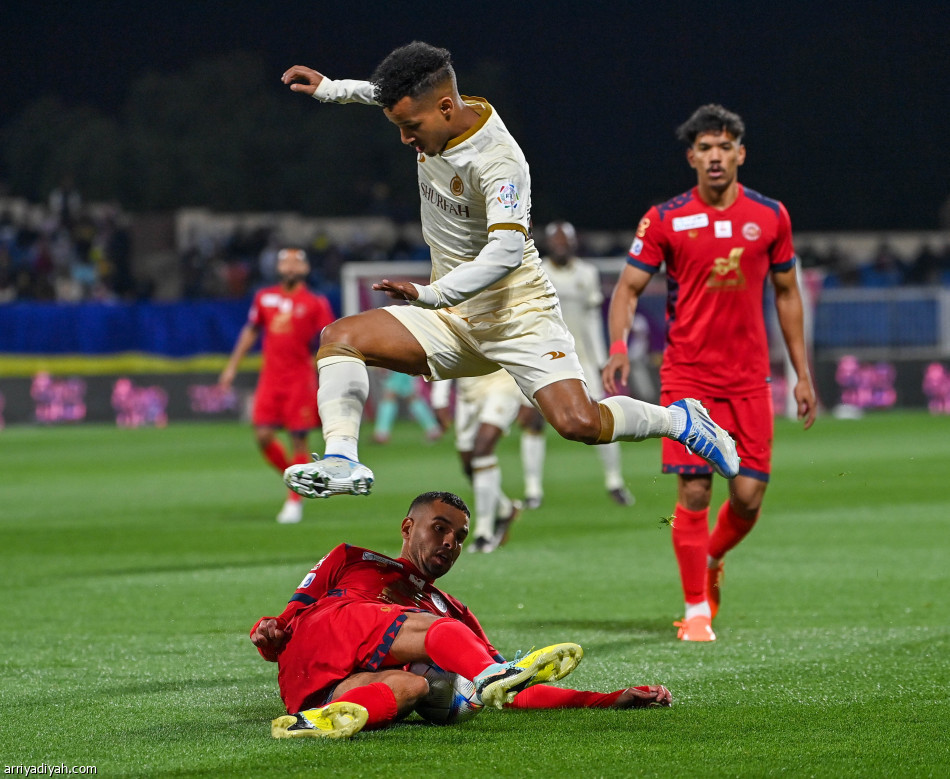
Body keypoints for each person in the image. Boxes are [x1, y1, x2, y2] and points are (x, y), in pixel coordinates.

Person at [279, 42, 738, 505]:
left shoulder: (499, 161)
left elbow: (505, 252)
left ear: (445, 108)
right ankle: (342, 458)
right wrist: (333, 89)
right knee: (341, 337)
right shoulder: (431, 107)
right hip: (452, 317)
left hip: (516, 314)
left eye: (411, 127)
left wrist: (432, 294)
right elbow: (387, 94)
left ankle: (680, 421)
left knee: (579, 423)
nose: (405, 139)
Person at [603, 104, 817, 643]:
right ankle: (696, 607)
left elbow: (787, 294)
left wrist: (802, 372)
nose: (715, 156)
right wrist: (618, 345)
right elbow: (627, 288)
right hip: (688, 377)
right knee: (695, 491)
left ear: (740, 153)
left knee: (748, 497)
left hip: (749, 379)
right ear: (692, 157)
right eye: (705, 148)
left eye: (724, 147)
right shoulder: (665, 218)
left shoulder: (771, 215)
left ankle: (712, 557)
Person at [250, 491, 672, 739]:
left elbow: (514, 691)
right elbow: (284, 625)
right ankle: (484, 677)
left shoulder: (452, 609)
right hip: (326, 633)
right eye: (440, 528)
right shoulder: (354, 559)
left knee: (413, 686)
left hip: (317, 689)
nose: (451, 542)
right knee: (448, 640)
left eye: (460, 536)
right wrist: (266, 629)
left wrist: (607, 700)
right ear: (407, 528)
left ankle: (310, 722)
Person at [519, 221, 636, 509]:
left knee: (601, 417)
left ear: (574, 244)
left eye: (565, 241)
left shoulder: (587, 273)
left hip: (581, 358)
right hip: (543, 359)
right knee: (534, 422)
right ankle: (533, 490)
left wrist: (601, 361)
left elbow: (592, 320)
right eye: (556, 241)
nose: (561, 246)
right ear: (548, 245)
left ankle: (615, 481)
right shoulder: (535, 271)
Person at [219, 248, 336, 523]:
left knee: (298, 438)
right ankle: (298, 480)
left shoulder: (315, 302)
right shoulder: (264, 297)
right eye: (285, 261)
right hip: (270, 378)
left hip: (299, 378)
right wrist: (232, 366)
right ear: (278, 267)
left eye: (296, 262)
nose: (290, 266)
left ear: (305, 269)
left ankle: (294, 502)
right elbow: (251, 330)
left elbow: (328, 338)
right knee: (262, 436)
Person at [429, 372, 525, 552]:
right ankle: (504, 508)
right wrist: (439, 399)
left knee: (482, 449)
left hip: (501, 384)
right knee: (469, 464)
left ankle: (483, 533)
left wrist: (528, 397)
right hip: (468, 392)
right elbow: (446, 355)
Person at [372, 369, 443, 444]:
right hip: (407, 366)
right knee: (410, 396)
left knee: (390, 395)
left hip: (400, 366)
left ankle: (382, 433)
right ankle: (433, 429)